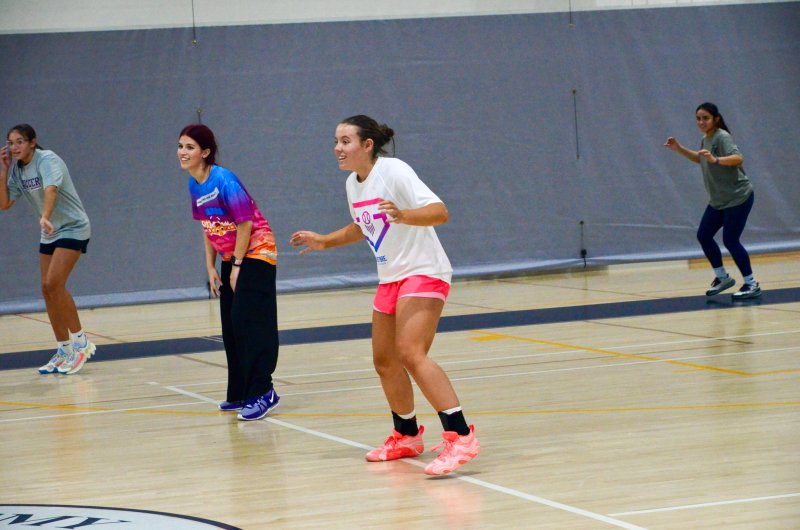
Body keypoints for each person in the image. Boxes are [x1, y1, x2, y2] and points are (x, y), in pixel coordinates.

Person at [290, 115, 480, 475]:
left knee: (410, 352)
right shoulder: (353, 184)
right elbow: (363, 226)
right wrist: (326, 241)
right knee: (385, 361)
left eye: (345, 141)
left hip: (423, 270)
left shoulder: (393, 170)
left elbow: (439, 212)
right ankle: (407, 435)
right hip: (391, 277)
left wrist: (404, 215)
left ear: (367, 145)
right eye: (335, 141)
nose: (337, 148)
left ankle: (461, 436)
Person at [178, 124, 280, 421]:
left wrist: (236, 266)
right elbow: (207, 226)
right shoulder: (194, 184)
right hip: (230, 254)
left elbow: (245, 223)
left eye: (190, 147)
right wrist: (210, 266)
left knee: (248, 321)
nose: (182, 152)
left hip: (256, 251)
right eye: (181, 146)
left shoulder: (224, 179)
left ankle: (264, 391)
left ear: (205, 152)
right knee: (230, 326)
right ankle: (240, 393)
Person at [0, 124, 96, 374]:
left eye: (20, 142)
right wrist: (4, 170)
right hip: (50, 231)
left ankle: (81, 343)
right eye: (10, 143)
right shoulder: (17, 170)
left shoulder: (47, 159)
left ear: (32, 142)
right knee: (46, 289)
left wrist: (45, 216)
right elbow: (5, 203)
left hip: (72, 226)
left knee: (54, 283)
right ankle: (64, 349)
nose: (14, 147)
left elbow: (51, 190)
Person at [664, 102, 761, 300]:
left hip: (738, 197)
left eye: (705, 118)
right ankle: (722, 278)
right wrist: (679, 148)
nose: (701, 122)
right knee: (704, 235)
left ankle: (752, 284)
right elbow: (700, 159)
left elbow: (738, 158)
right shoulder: (705, 139)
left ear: (716, 119)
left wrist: (716, 160)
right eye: (698, 119)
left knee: (730, 240)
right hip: (719, 200)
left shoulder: (722, 137)